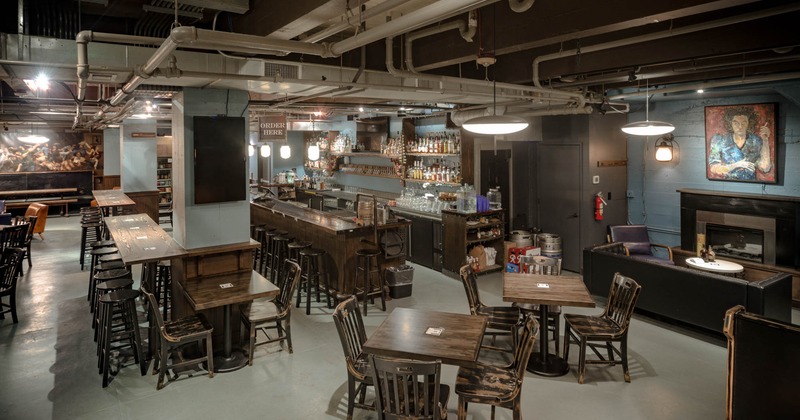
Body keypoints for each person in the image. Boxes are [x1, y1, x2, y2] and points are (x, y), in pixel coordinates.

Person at [708, 106, 772, 181]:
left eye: (744, 123)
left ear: (749, 123)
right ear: (730, 123)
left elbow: (765, 168)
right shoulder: (720, 140)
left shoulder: (755, 141)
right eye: (736, 123)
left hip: (751, 184)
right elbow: (713, 168)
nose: (740, 126)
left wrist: (765, 140)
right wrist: (736, 165)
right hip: (727, 183)